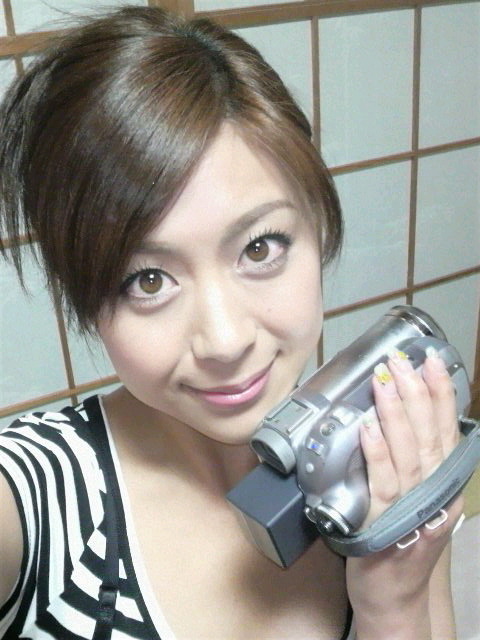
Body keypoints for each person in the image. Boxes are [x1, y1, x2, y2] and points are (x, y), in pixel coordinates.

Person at [0, 6, 464, 639]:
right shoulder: (30, 501)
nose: (225, 341)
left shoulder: (383, 451)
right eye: (148, 280)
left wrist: (394, 601)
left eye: (259, 247)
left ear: (318, 227)